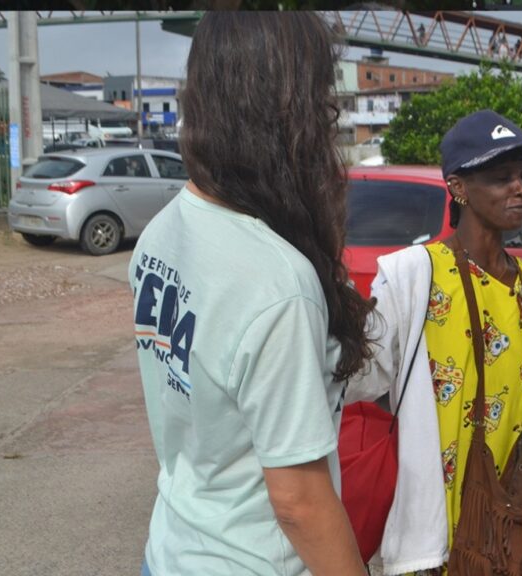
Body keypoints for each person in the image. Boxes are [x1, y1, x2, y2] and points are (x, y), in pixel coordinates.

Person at [130, 13, 369, 576]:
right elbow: (299, 502)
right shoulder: (277, 284)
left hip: (170, 550)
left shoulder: (163, 231)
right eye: (319, 96)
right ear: (288, 112)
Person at [348, 109, 522, 575]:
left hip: (506, 522)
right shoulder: (413, 275)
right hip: (433, 533)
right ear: (459, 188)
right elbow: (358, 380)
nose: (520, 188)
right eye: (501, 176)